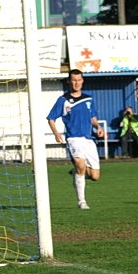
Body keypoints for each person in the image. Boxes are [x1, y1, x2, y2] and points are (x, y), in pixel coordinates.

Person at [47, 69, 105, 209]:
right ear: (69, 81)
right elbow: (51, 118)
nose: (76, 83)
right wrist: (56, 133)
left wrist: (98, 126)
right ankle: (82, 201)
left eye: (79, 80)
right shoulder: (63, 100)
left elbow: (93, 117)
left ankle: (76, 173)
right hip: (74, 138)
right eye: (73, 80)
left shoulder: (89, 99)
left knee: (95, 176)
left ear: (82, 80)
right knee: (80, 163)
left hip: (89, 139)